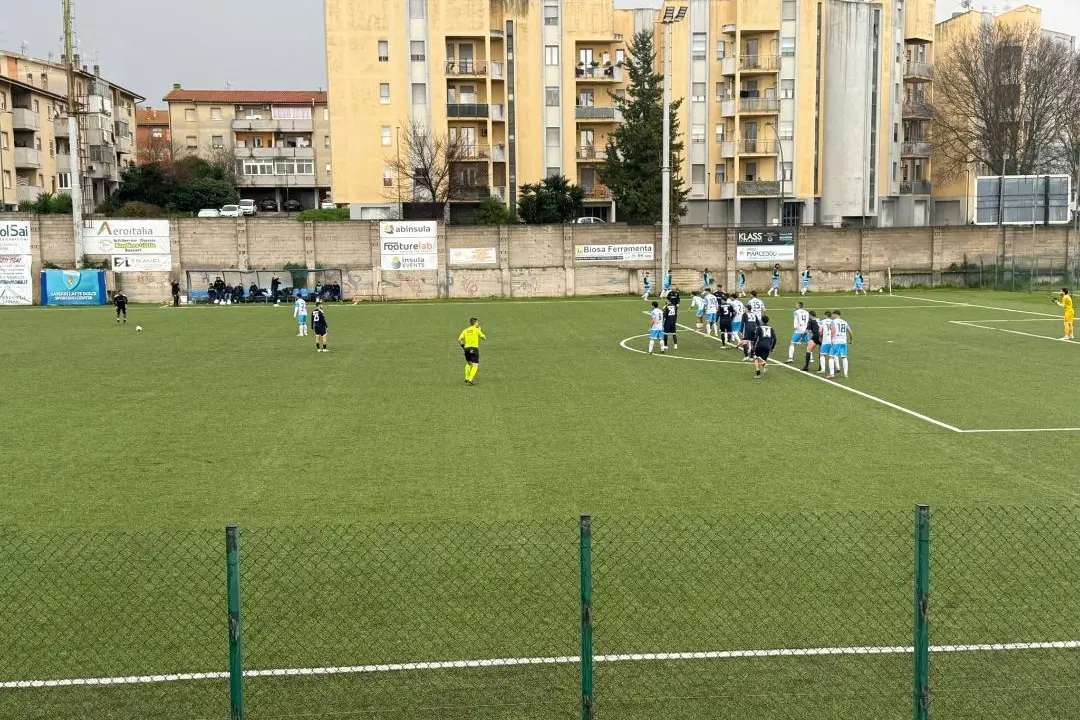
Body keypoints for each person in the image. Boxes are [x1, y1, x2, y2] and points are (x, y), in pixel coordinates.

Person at [458, 317, 487, 384]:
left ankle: (466, 378)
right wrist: (480, 331)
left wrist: (463, 347)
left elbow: (459, 339)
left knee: (469, 363)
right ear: (475, 323)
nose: (478, 323)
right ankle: (470, 379)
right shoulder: (476, 329)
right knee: (475, 365)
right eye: (477, 322)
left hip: (466, 349)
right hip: (474, 349)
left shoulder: (465, 330)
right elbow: (484, 337)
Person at [827, 310, 852, 380]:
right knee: (844, 357)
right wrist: (851, 339)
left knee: (831, 357)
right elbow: (850, 331)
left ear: (836, 314)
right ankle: (846, 374)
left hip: (836, 341)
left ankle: (832, 374)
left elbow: (833, 331)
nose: (832, 316)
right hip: (843, 342)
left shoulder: (833, 322)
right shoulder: (845, 322)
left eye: (833, 315)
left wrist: (831, 340)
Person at [752, 314, 777, 379]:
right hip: (767, 346)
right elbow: (775, 339)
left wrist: (753, 345)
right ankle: (764, 363)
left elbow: (755, 337)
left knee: (756, 358)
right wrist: (772, 347)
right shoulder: (771, 328)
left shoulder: (759, 327)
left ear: (762, 320)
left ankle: (758, 374)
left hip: (760, 345)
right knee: (762, 359)